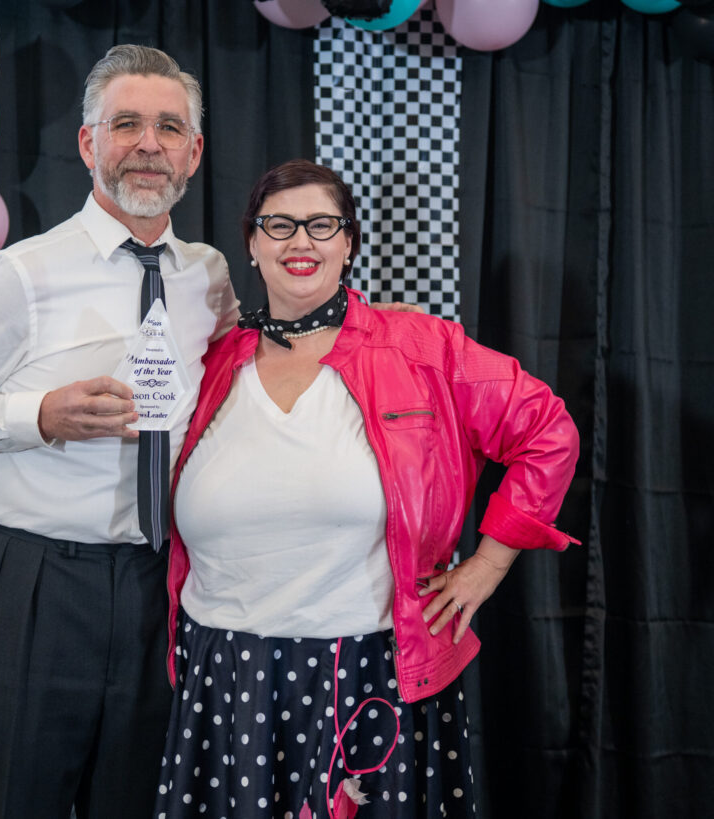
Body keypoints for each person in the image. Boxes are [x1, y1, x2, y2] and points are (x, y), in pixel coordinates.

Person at [153, 159, 580, 819]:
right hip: (224, 674)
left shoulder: (421, 348)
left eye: (321, 224)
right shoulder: (210, 362)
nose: (301, 241)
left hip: (368, 673)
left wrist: (490, 564)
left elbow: (547, 430)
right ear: (252, 244)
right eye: (279, 225)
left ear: (348, 242)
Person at [0, 45, 238, 819]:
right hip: (38, 583)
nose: (148, 144)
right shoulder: (24, 273)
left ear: (193, 152)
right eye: (126, 124)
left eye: (168, 128)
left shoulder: (207, 277)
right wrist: (36, 417)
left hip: (163, 585)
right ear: (88, 144)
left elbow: (237, 387)